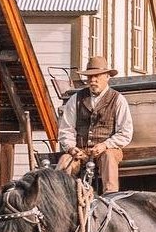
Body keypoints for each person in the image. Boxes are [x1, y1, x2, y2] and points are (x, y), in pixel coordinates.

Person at [57, 54, 133, 192]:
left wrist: (105, 145)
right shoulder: (76, 99)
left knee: (109, 157)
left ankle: (111, 197)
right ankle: (57, 197)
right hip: (81, 151)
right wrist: (71, 148)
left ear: (107, 77)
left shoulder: (118, 100)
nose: (93, 80)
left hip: (106, 151)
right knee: (65, 161)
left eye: (97, 76)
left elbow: (125, 132)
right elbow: (66, 130)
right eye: (90, 77)